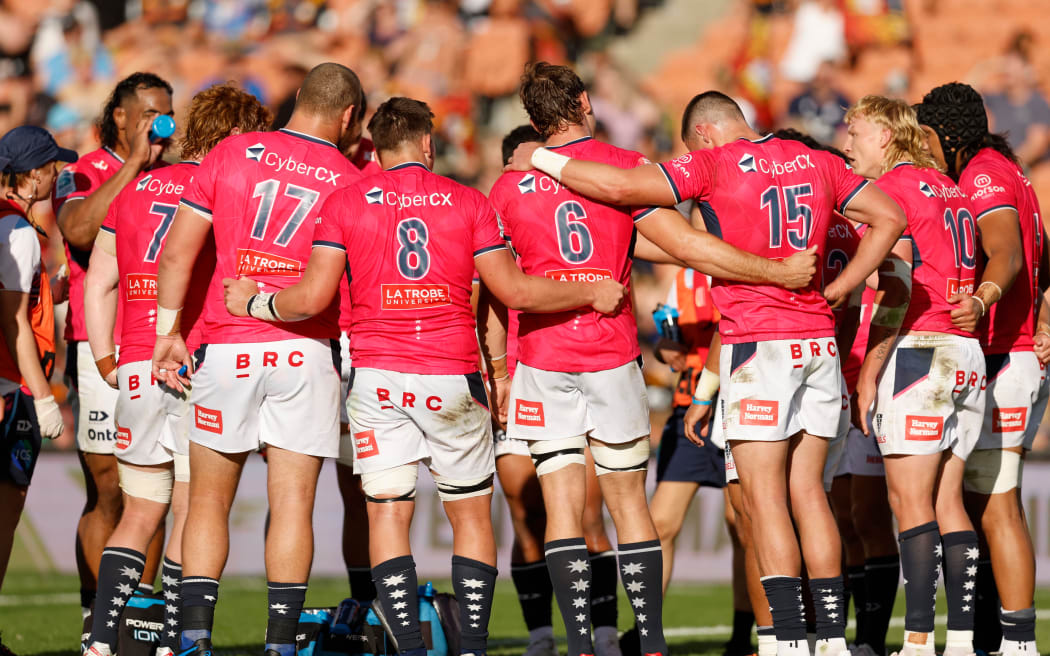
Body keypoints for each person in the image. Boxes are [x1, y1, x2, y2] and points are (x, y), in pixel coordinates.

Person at [506, 87, 907, 656]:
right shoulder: (820, 161)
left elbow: (621, 186)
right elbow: (891, 216)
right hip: (818, 342)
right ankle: (832, 643)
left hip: (757, 343)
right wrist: (840, 289)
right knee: (813, 498)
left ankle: (788, 641)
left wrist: (541, 157)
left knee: (765, 501)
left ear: (702, 134)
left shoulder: (714, 162)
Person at [221, 96, 629, 656]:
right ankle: (474, 647)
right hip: (450, 375)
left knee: (388, 515)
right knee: (469, 514)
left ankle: (410, 649)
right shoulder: (467, 201)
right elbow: (513, 292)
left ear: (380, 149)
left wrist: (255, 304)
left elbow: (311, 297)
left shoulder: (344, 201)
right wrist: (589, 290)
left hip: (376, 379)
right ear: (428, 144)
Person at [151, 62, 367, 656]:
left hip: (226, 345)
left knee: (207, 502)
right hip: (305, 350)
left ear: (299, 97)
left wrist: (169, 331)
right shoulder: (350, 178)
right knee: (293, 504)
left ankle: (193, 639)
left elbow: (178, 253)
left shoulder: (231, 152)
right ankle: (279, 645)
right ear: (349, 116)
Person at [81, 84, 271, 656]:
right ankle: (171, 639)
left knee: (138, 512)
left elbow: (99, 279)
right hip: (194, 360)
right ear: (237, 135)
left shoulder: (135, 187)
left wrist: (105, 358)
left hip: (136, 362)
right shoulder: (227, 184)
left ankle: (98, 639)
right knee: (192, 510)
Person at [843, 95, 985, 656]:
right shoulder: (949, 187)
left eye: (853, 131)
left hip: (920, 351)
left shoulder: (894, 192)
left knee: (910, 503)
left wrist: (869, 371)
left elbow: (898, 287)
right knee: (949, 499)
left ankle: (921, 639)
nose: (846, 142)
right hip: (965, 352)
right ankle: (964, 637)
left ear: (883, 135)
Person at [917, 82, 1049, 656]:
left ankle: (1019, 643)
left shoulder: (985, 175)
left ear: (946, 136)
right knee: (977, 500)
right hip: (1008, 350)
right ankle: (995, 636)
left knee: (998, 500)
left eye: (925, 136)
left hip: (1004, 352)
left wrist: (984, 296)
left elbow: (1009, 252)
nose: (920, 147)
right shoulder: (1008, 171)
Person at [489, 124, 625, 656]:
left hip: (568, 368)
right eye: (530, 163)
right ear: (509, 165)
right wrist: (495, 372)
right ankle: (542, 635)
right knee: (526, 517)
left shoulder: (573, 207)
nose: (539, 174)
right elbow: (490, 303)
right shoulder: (496, 211)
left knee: (588, 513)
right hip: (518, 375)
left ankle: (604, 632)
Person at [52, 72, 174, 615]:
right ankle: (93, 614)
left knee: (155, 487)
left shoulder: (175, 177)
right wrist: (133, 168)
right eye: (151, 112)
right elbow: (77, 232)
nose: (162, 123)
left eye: (167, 112)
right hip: (99, 344)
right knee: (108, 487)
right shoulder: (82, 171)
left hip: (163, 344)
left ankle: (139, 618)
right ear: (120, 116)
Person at [0, 125, 75, 610]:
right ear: (31, 175)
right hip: (10, 385)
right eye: (50, 168)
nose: (56, 175)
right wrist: (45, 397)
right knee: (6, 511)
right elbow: (14, 323)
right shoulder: (17, 231)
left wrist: (52, 291)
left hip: (10, 379)